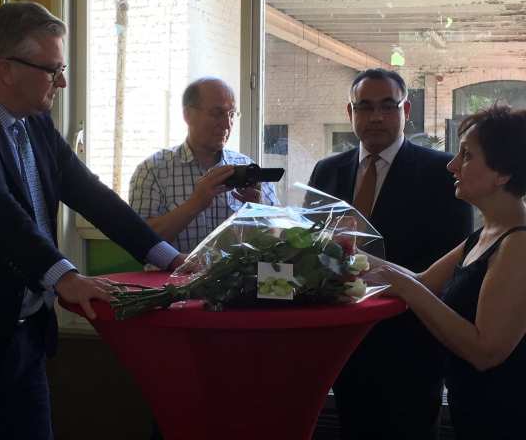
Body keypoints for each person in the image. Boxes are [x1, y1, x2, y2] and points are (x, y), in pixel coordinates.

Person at [0, 1, 183, 439]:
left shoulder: (36, 124)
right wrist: (65, 277)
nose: (62, 82)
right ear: (6, 70)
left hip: (22, 341)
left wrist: (169, 258)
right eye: (52, 70)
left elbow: (91, 194)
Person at [305, 68, 473, 440]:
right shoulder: (327, 171)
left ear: (406, 110)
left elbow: (452, 265)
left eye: (387, 106)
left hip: (411, 347)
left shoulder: (443, 172)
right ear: (350, 113)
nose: (376, 117)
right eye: (365, 107)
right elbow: (311, 252)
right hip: (344, 345)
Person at [365, 105, 526, 439]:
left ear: (502, 173)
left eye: (467, 155)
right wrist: (345, 251)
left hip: (506, 418)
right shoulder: (485, 234)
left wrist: (404, 287)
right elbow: (423, 282)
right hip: (474, 411)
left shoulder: (519, 244)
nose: (452, 165)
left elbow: (485, 351)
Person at [129, 77, 279, 253]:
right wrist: (195, 204)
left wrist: (257, 212)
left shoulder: (250, 169)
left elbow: (276, 242)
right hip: (174, 271)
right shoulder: (152, 171)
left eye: (231, 114)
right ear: (187, 115)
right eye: (217, 113)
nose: (227, 124)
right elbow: (139, 240)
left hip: (237, 271)